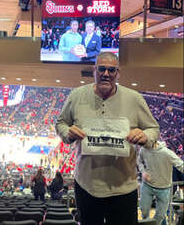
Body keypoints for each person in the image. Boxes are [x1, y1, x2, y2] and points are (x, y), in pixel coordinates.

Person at [55, 51, 159, 225]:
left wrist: (145, 135)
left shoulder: (134, 98)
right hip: (86, 185)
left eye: (111, 70)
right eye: (101, 69)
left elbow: (153, 129)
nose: (106, 74)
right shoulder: (77, 95)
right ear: (94, 70)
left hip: (123, 188)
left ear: (118, 73)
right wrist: (67, 133)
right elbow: (61, 124)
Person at [138, 140, 184, 225]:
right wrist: (143, 172)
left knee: (163, 213)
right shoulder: (143, 150)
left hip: (165, 188)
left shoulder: (167, 153)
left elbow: (181, 167)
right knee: (147, 210)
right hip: (150, 185)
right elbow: (140, 161)